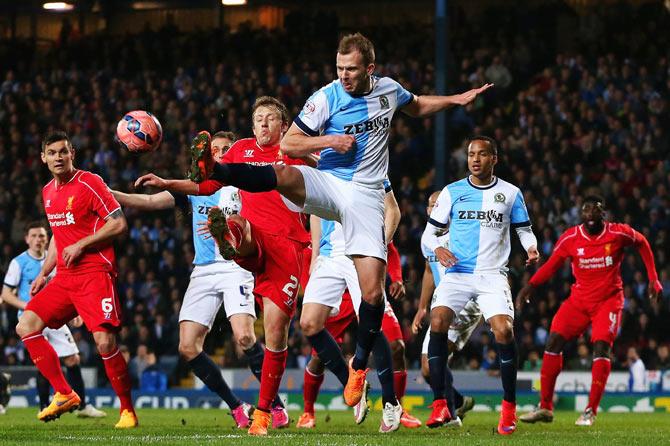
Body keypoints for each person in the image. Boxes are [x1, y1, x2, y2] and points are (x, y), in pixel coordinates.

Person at [136, 33, 491, 430]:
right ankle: (215, 171)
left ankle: (358, 368)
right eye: (339, 69)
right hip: (329, 183)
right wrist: (330, 140)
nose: (344, 76)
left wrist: (456, 99)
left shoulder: (389, 90)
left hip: (364, 196)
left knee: (372, 294)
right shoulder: (326, 97)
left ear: (370, 69)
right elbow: (292, 142)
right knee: (284, 173)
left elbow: (418, 104)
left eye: (351, 70)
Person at [135, 97, 311, 436]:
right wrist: (171, 182)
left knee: (273, 333)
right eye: (257, 118)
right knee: (236, 222)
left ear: (283, 126)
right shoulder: (241, 150)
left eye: (270, 119)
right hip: (246, 241)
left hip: (287, 245)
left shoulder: (295, 153)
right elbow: (208, 185)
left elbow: (325, 183)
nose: (262, 124)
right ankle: (228, 236)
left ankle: (266, 408)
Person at [112, 131, 276, 428]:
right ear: (207, 155)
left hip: (235, 266)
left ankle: (273, 406)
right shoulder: (194, 188)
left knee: (245, 337)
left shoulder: (246, 186)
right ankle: (237, 408)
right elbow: (148, 203)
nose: (222, 152)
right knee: (188, 347)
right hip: (202, 270)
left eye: (227, 148)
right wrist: (110, 194)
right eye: (216, 149)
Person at [15, 131, 137, 428]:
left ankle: (127, 411)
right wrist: (44, 272)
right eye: (52, 153)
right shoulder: (47, 192)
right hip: (65, 278)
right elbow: (58, 235)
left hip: (94, 272)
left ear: (72, 154)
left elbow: (118, 223)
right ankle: (63, 392)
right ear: (43, 158)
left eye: (64, 152)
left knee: (104, 342)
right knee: (26, 325)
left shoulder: (89, 182)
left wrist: (82, 244)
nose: (59, 157)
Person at [421, 136, 538, 435]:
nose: (475, 159)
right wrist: (437, 249)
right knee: (438, 320)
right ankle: (439, 405)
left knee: (504, 330)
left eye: (482, 154)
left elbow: (524, 229)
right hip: (458, 273)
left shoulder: (510, 193)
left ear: (493, 158)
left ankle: (509, 408)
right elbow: (428, 236)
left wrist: (531, 248)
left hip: (492, 274)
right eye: (471, 154)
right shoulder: (451, 192)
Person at [518, 196, 661, 426]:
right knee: (553, 342)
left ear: (603, 214)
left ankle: (590, 411)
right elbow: (552, 264)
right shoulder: (571, 238)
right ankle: (545, 407)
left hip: (608, 300)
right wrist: (530, 286)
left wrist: (653, 279)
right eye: (586, 212)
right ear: (581, 215)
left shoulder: (618, 233)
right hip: (579, 300)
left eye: (595, 211)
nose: (590, 216)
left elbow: (642, 242)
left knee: (601, 345)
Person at [296, 184, 421, 432]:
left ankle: (390, 402)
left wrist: (379, 245)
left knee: (375, 329)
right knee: (308, 324)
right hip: (329, 258)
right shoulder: (324, 165)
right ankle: (351, 382)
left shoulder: (371, 165)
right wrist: (315, 258)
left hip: (362, 252)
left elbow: (392, 210)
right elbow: (317, 211)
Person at [2, 221, 106, 418]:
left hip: (54, 313)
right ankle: (44, 405)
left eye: (41, 236)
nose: (38, 239)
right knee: (47, 358)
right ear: (26, 239)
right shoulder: (19, 262)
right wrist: (27, 307)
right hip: (33, 317)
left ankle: (81, 406)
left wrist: (75, 312)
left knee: (72, 358)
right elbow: (6, 294)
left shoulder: (57, 258)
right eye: (33, 236)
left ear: (47, 239)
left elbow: (67, 288)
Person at [411, 191, 477, 426]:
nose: (434, 209)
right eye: (431, 205)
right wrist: (421, 308)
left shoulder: (461, 233)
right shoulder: (428, 239)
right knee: (428, 368)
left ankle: (449, 413)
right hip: (442, 302)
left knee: (436, 359)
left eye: (438, 204)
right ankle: (457, 401)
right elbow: (430, 271)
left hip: (466, 302)